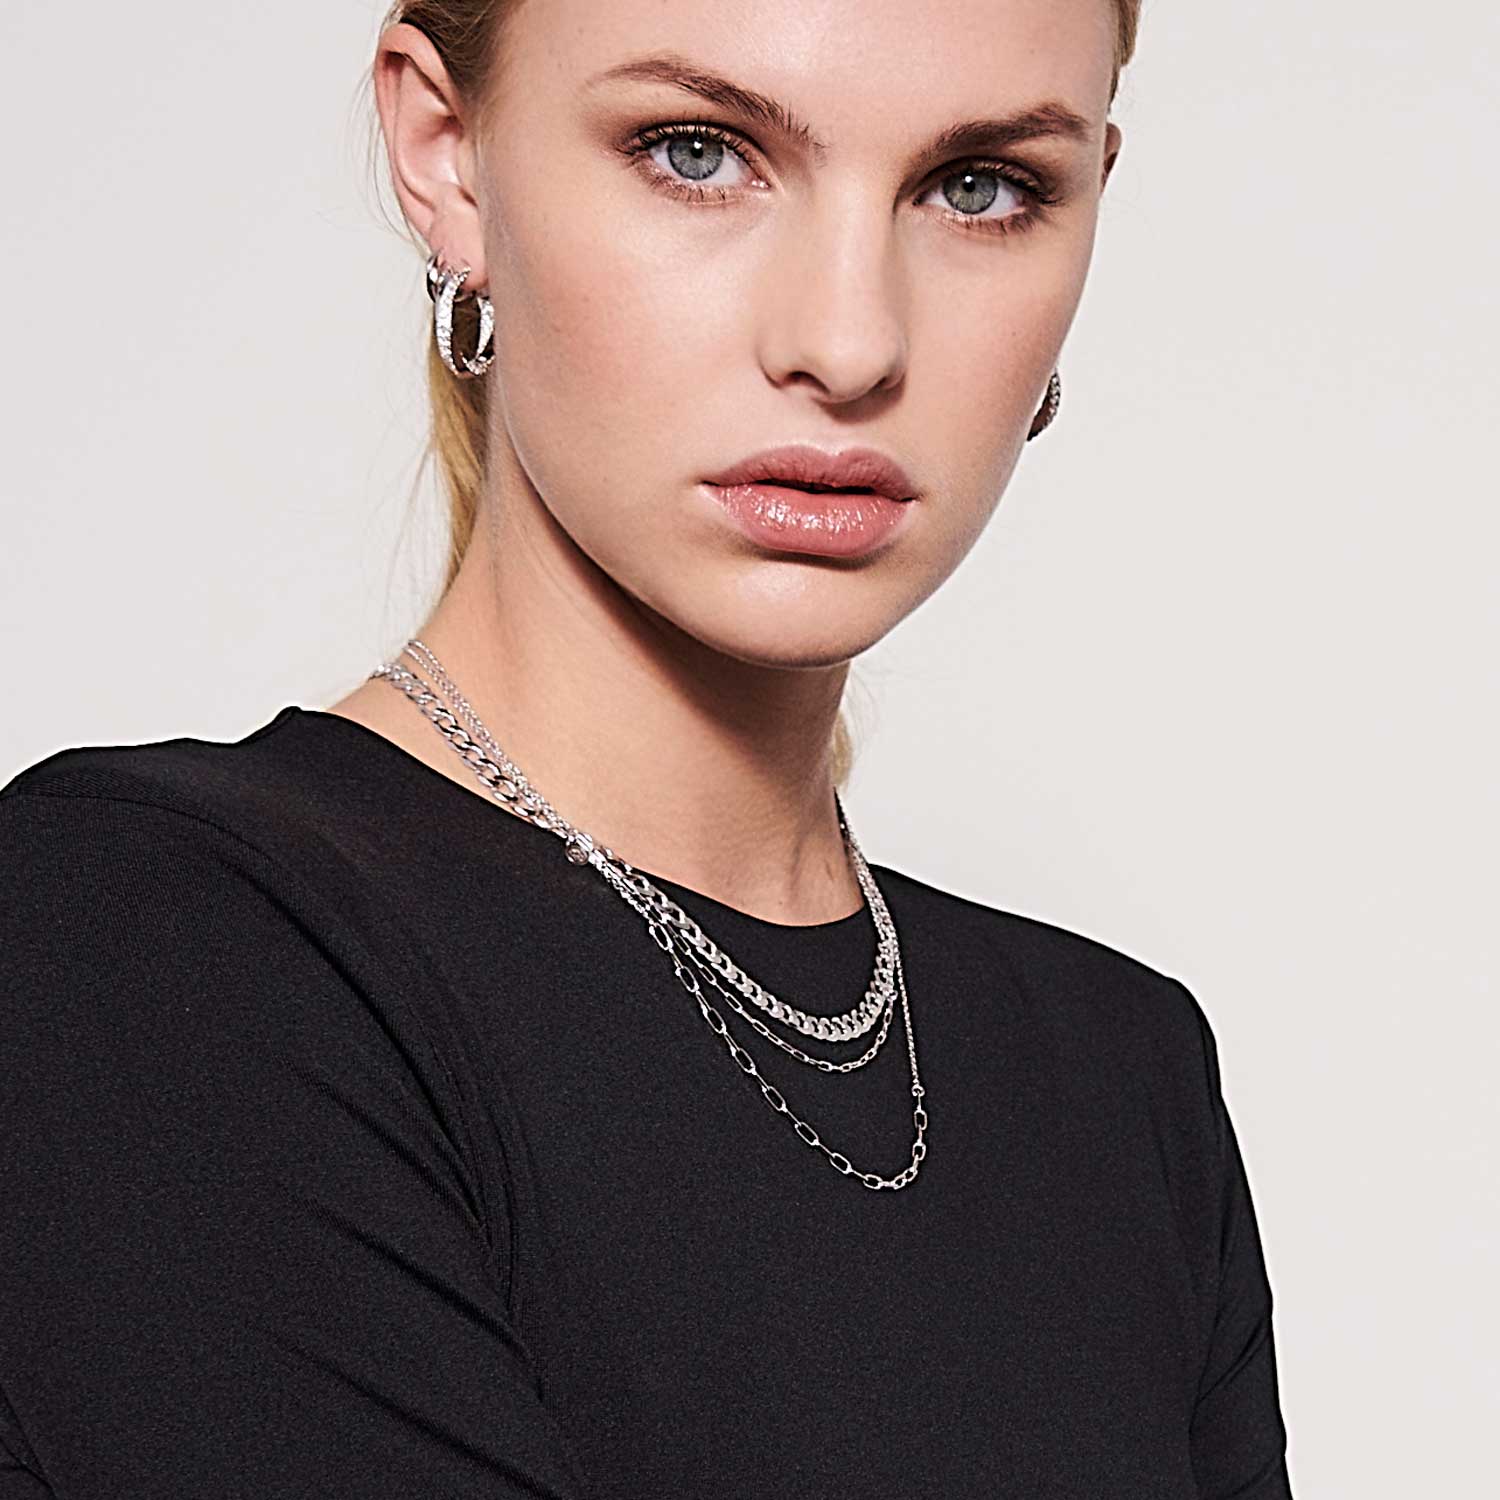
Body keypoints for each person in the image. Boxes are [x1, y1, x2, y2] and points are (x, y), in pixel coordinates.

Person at [0, 1, 1295, 1495]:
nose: (849, 343)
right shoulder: (153, 935)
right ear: (447, 153)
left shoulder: (1121, 1073)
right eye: (697, 153)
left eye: (981, 187)